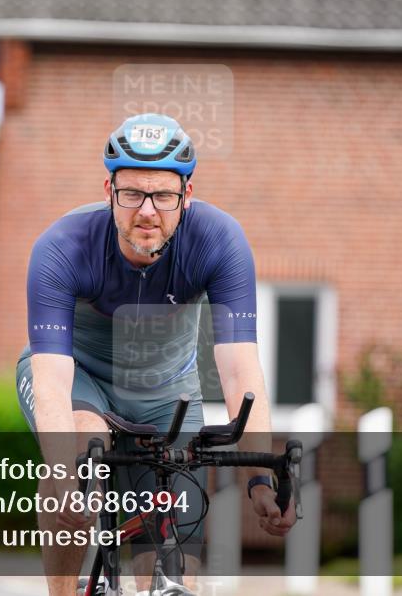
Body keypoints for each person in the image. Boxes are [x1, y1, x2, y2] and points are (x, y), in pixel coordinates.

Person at [16, 113, 296, 595]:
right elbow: (52, 381)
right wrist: (63, 476)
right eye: (132, 194)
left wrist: (260, 478)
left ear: (186, 195)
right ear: (109, 191)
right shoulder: (62, 248)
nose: (147, 211)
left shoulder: (219, 241)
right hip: (81, 378)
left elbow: (239, 373)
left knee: (177, 561)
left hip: (167, 394)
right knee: (82, 453)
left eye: (163, 196)